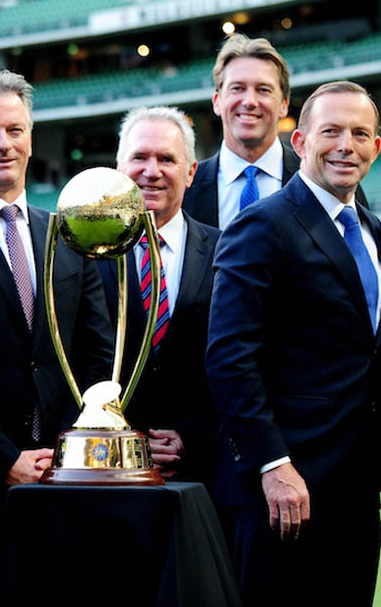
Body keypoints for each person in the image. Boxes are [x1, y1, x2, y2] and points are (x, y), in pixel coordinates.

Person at [206, 80, 381, 605]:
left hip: (354, 489)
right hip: (282, 487)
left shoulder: (379, 232)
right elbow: (228, 356)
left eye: (360, 134)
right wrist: (272, 463)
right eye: (331, 131)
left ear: (376, 148)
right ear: (301, 142)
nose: (345, 145)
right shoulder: (260, 226)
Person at [0, 70, 112, 590]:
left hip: (63, 483)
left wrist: (70, 451)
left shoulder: (66, 234)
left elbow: (97, 357)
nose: (4, 144)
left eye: (15, 130)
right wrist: (3, 459)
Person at [97, 106, 220, 484]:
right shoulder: (85, 254)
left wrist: (191, 436)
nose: (152, 171)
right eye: (139, 158)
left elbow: (239, 362)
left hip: (204, 474)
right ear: (119, 167)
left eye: (167, 159)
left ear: (191, 172)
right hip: (109, 471)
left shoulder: (225, 253)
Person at [181, 33, 297, 228]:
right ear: (217, 103)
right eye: (237, 88)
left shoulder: (316, 180)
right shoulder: (185, 189)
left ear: (284, 105)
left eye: (263, 90)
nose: (250, 101)